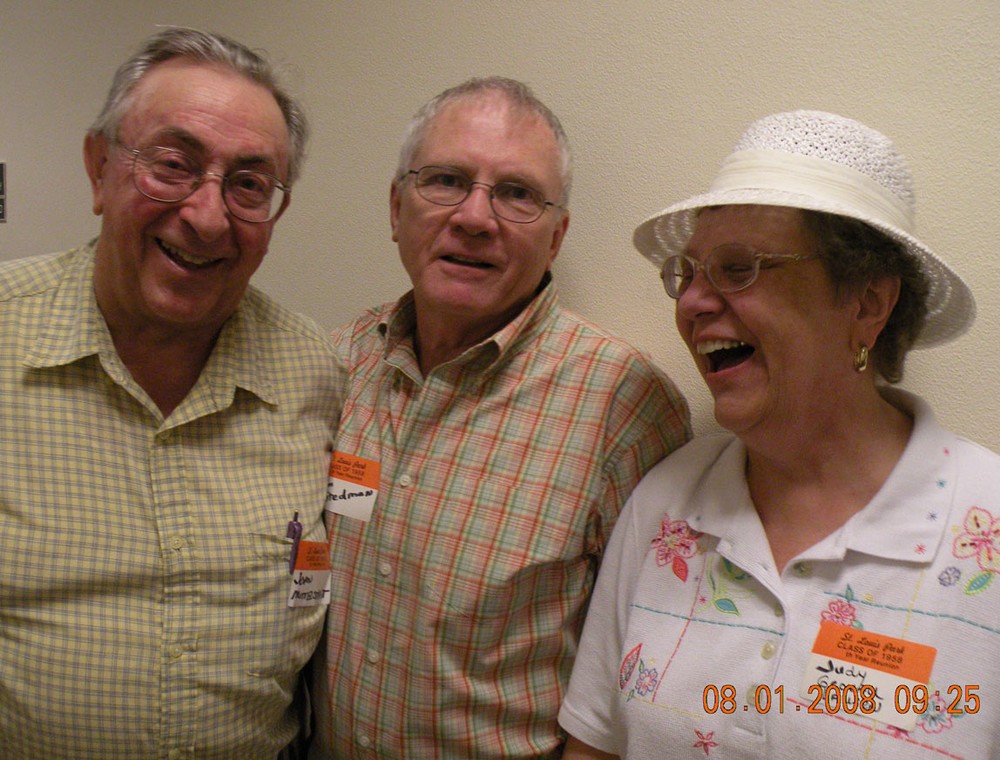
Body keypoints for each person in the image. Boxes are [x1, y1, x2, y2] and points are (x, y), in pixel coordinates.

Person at [559, 109, 1000, 759]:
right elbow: (593, 746)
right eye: (688, 273)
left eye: (739, 268)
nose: (692, 302)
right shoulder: (666, 504)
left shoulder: (985, 525)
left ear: (868, 303)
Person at [309, 77, 691, 758]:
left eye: (516, 194)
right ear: (396, 208)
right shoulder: (341, 362)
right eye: (446, 180)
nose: (475, 217)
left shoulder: (623, 405)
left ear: (556, 236)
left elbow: (641, 672)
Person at [0, 29, 342, 759]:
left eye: (248, 185)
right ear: (99, 169)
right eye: (173, 165)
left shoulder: (316, 372)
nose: (207, 216)